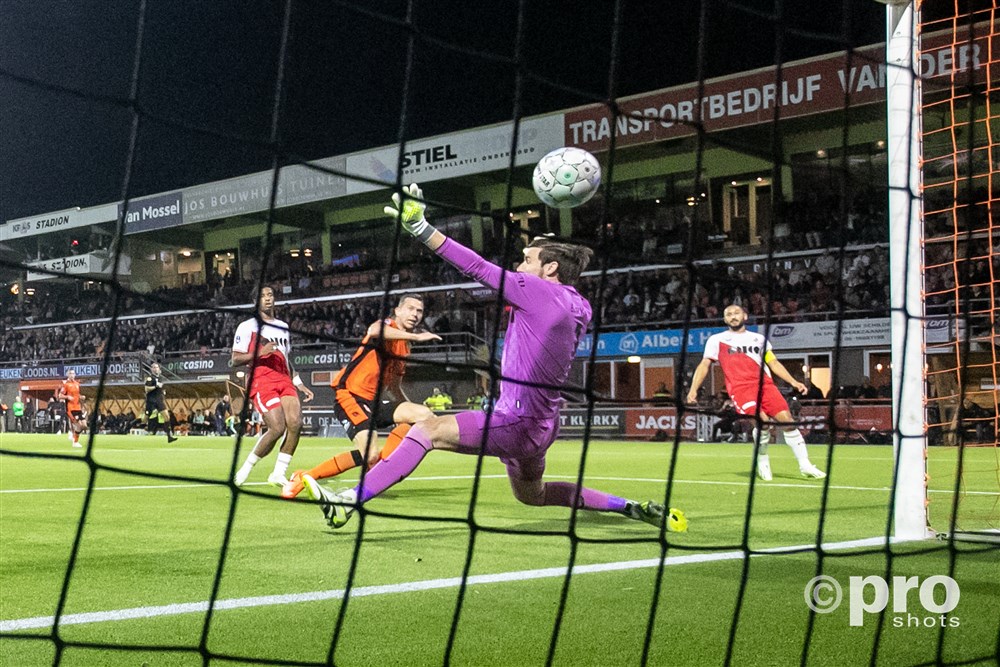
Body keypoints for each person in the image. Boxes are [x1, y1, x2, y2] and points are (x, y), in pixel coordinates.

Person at [302, 183, 687, 532]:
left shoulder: (536, 289)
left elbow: (476, 266)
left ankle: (348, 501)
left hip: (516, 421)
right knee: (531, 496)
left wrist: (420, 227)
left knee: (427, 430)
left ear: (549, 268)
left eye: (527, 258)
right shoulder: (579, 305)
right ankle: (630, 507)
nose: (520, 265)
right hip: (544, 425)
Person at [281, 293, 441, 499]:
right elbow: (374, 330)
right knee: (370, 454)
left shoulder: (403, 349)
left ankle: (377, 471)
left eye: (419, 311)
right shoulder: (387, 325)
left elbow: (393, 387)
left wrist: (411, 415)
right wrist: (417, 336)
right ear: (398, 311)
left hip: (374, 402)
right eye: (410, 309)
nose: (415, 314)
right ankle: (304, 477)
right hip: (349, 395)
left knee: (424, 415)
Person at [686, 303, 826, 481]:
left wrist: (793, 382)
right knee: (763, 423)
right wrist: (693, 390)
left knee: (788, 422)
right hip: (741, 388)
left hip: (766, 385)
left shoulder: (759, 339)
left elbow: (773, 363)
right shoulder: (716, 340)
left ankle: (805, 465)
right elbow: (704, 365)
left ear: (745, 316)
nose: (733, 316)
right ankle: (763, 459)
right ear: (724, 319)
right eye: (728, 314)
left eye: (736, 313)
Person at [231, 285, 315, 487]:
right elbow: (235, 359)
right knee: (277, 427)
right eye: (262, 296)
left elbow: (286, 358)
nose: (268, 299)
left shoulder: (283, 326)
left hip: (284, 378)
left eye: (270, 295)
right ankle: (247, 468)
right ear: (255, 301)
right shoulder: (247, 326)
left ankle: (278, 474)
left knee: (295, 423)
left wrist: (299, 383)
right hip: (262, 379)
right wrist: (261, 353)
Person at [144, 362, 177, 443]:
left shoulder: (161, 378)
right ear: (151, 369)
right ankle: (128, 427)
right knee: (144, 419)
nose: (155, 369)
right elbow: (146, 389)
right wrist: (155, 386)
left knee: (167, 417)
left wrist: (162, 393)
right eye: (154, 367)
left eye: (157, 367)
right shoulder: (150, 378)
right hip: (151, 401)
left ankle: (169, 436)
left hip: (159, 401)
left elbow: (161, 388)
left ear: (159, 369)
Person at [56, 369, 86, 448]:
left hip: (78, 407)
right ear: (68, 375)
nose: (72, 375)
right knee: (78, 425)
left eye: (73, 373)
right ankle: (75, 442)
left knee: (84, 425)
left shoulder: (77, 384)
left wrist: (81, 397)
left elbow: (77, 395)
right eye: (70, 373)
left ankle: (73, 435)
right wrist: (67, 397)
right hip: (70, 408)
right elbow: (60, 396)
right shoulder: (66, 384)